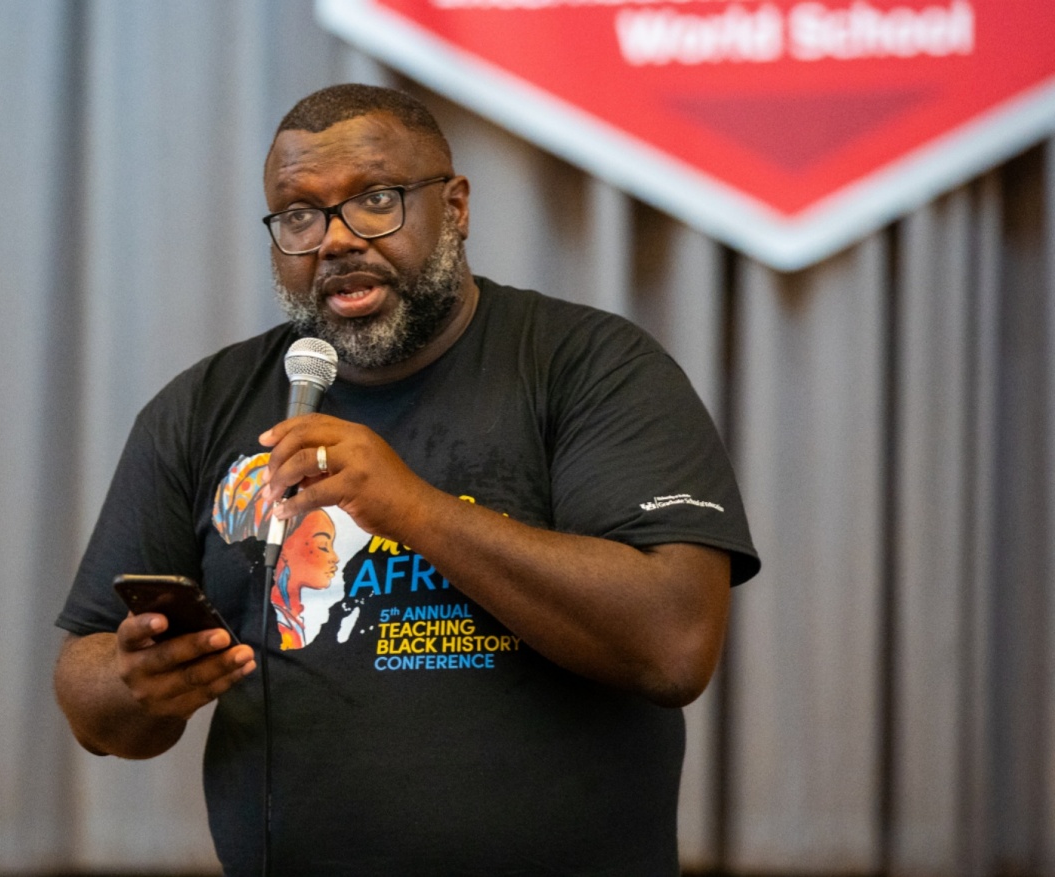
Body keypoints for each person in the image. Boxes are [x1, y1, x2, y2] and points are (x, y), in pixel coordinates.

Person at [54, 83, 759, 876]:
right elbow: (91, 696)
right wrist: (135, 680)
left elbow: (673, 644)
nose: (335, 239)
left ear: (454, 207)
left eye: (376, 200)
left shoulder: (590, 368)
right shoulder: (201, 408)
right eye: (299, 214)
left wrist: (409, 506)